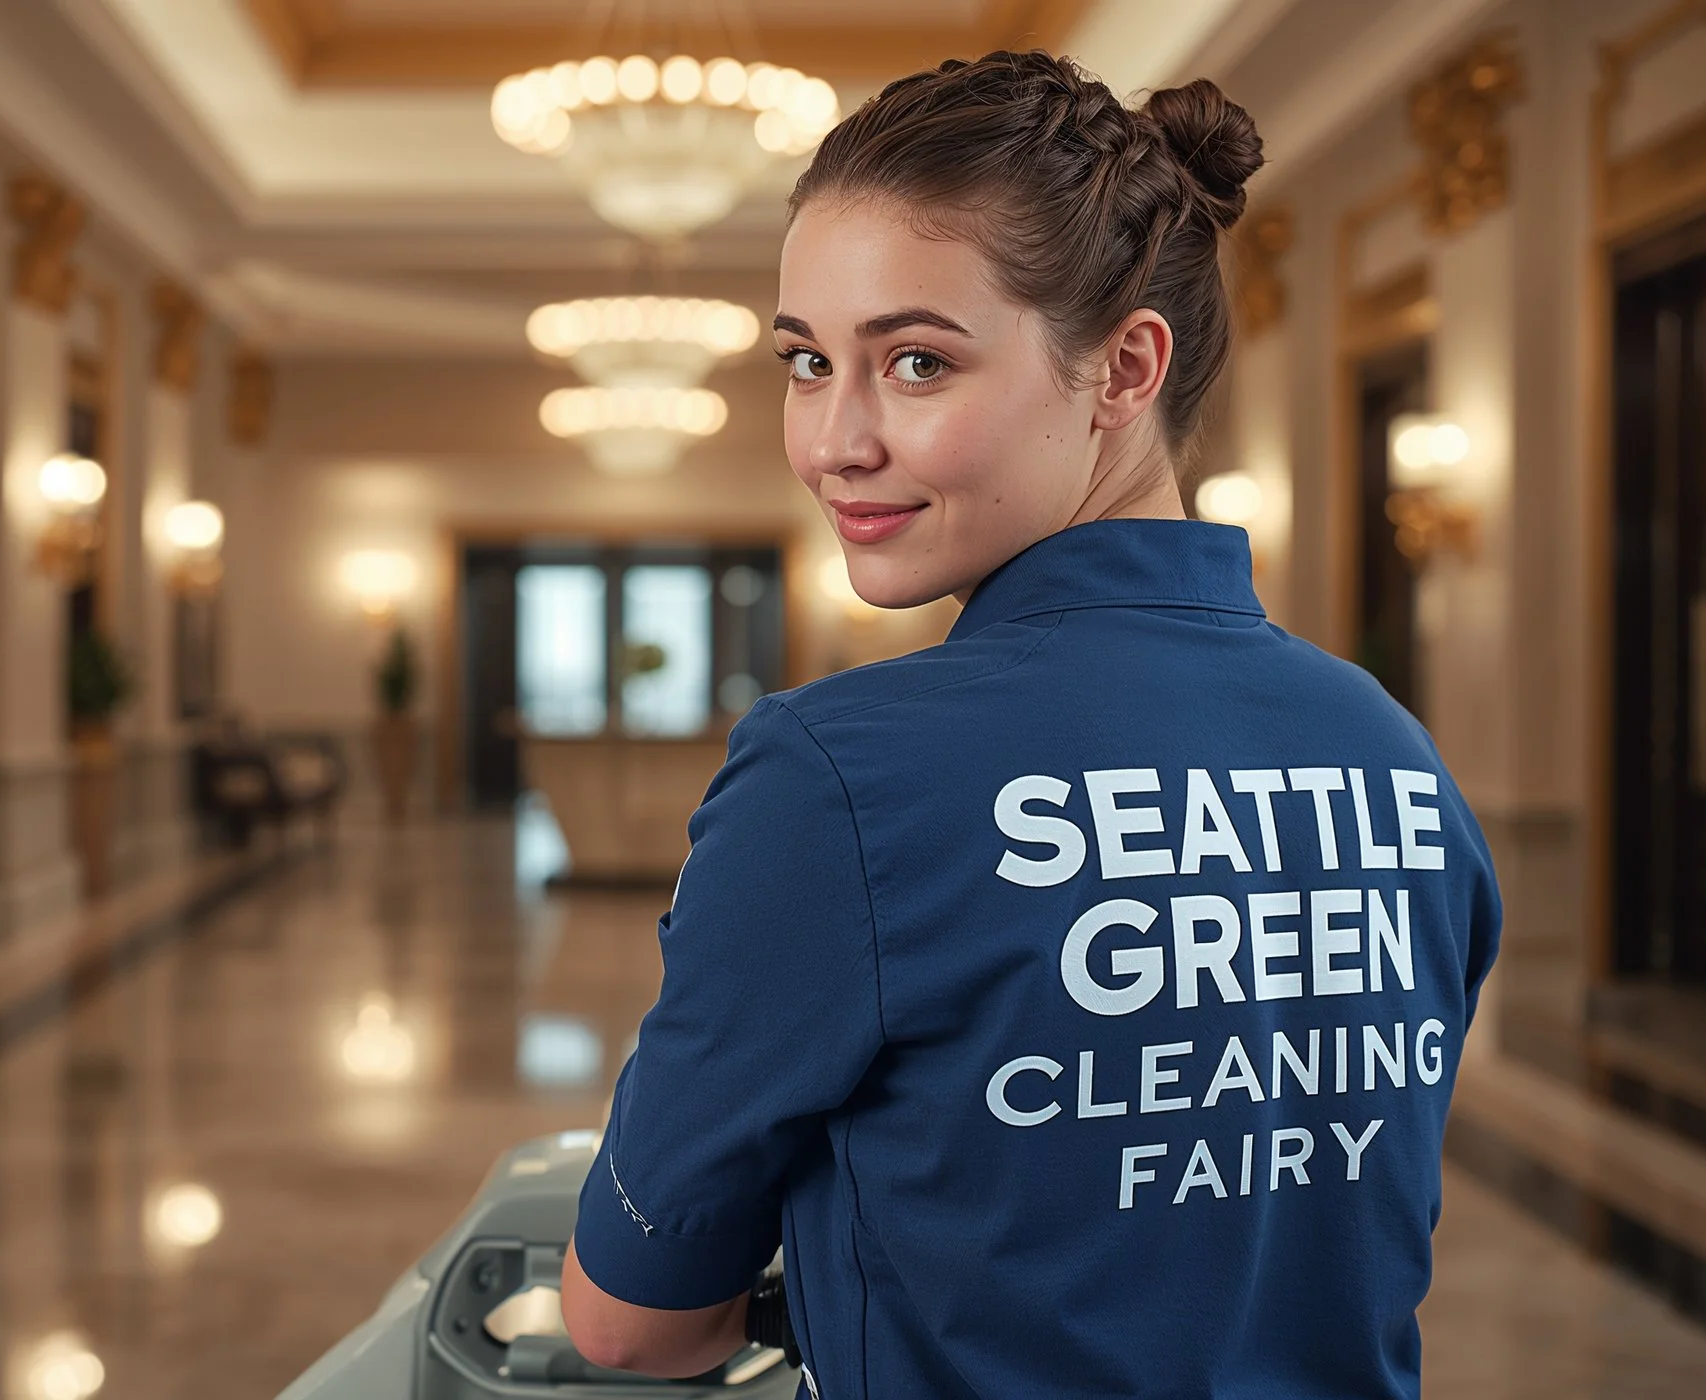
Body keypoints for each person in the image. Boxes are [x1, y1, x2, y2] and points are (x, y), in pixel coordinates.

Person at [556, 50, 1501, 1400]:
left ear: (1124, 368)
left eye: (918, 363)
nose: (835, 438)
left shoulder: (836, 778)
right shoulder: (1393, 754)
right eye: (809, 362)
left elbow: (629, 1323)